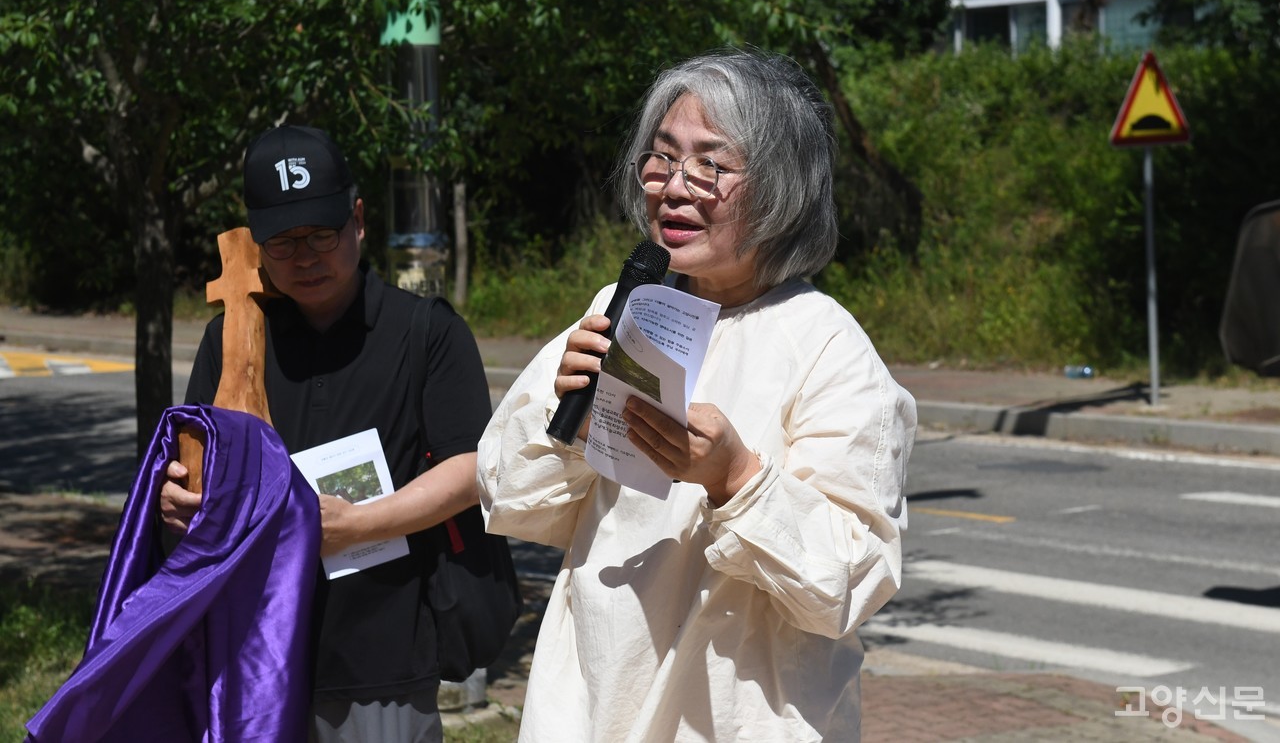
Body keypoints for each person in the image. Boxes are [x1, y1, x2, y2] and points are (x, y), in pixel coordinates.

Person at [477, 49, 916, 742]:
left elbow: (846, 584)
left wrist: (736, 478)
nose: (675, 187)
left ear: (782, 188)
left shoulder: (827, 346)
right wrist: (568, 424)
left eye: (711, 165)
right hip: (588, 709)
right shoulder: (627, 306)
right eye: (662, 158)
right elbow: (507, 496)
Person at [160, 124, 494, 743]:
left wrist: (360, 525)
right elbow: (198, 471)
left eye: (322, 233)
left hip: (381, 658)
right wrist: (179, 502)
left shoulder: (427, 333)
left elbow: (472, 468)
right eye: (284, 242)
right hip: (252, 653)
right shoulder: (231, 340)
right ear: (255, 244)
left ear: (358, 220)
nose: (307, 256)